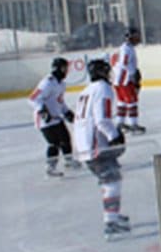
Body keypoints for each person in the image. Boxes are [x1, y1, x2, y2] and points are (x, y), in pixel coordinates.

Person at [74, 58, 129, 237]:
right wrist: (114, 137)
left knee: (111, 180)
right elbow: (102, 120)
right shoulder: (103, 89)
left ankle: (112, 214)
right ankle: (110, 223)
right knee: (112, 180)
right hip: (96, 145)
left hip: (84, 144)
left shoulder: (86, 91)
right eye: (106, 71)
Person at [29, 57, 79, 177]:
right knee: (53, 143)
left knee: (66, 139)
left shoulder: (61, 84)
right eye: (65, 68)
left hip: (56, 117)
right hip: (45, 120)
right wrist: (42, 111)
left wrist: (66, 112)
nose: (67, 71)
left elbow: (59, 101)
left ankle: (68, 161)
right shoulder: (47, 82)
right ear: (59, 68)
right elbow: (33, 98)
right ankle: (50, 167)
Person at [113, 27, 145, 134]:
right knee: (132, 101)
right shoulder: (126, 49)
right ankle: (133, 124)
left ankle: (120, 122)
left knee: (122, 101)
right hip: (124, 80)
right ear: (130, 37)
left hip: (120, 79)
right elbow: (123, 64)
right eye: (136, 36)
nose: (138, 38)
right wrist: (133, 75)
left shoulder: (126, 47)